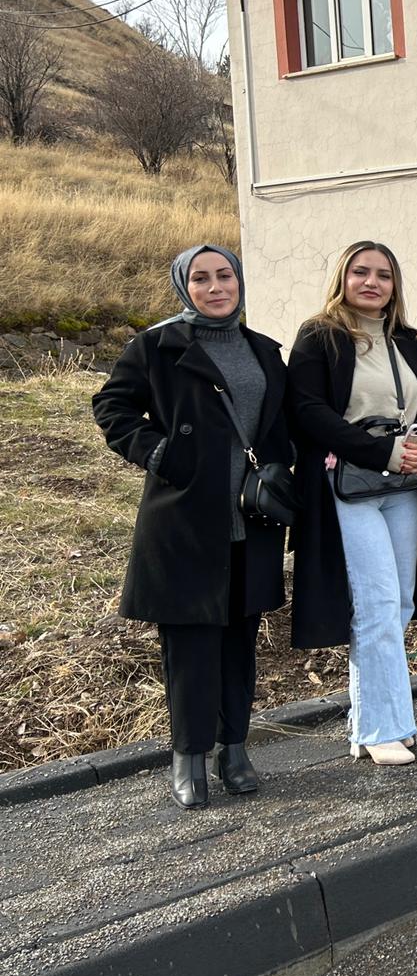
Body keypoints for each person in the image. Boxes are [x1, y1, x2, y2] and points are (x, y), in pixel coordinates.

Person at [92, 245, 292, 809]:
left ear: (239, 281)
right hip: (184, 520)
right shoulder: (157, 346)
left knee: (240, 644)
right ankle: (189, 756)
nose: (215, 287)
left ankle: (234, 749)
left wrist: (287, 465)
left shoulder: (263, 349)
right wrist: (161, 454)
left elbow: (281, 422)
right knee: (190, 649)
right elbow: (112, 407)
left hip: (251, 520)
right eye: (201, 279)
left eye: (225, 275)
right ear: (185, 287)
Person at [287, 241, 417, 766]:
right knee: (375, 603)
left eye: (383, 274)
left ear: (395, 284)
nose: (372, 282)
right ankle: (382, 728)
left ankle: (376, 720)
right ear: (344, 277)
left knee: (399, 603)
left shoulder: (412, 341)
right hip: (350, 486)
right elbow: (308, 411)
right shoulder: (320, 335)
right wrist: (382, 451)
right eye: (361, 272)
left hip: (404, 489)